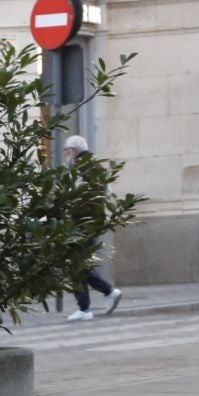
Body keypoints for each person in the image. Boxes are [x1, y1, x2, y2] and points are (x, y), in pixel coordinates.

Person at [64, 135, 124, 322]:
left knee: (76, 265)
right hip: (93, 223)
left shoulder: (82, 168)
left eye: (67, 150)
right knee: (80, 264)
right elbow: (108, 193)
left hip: (82, 223)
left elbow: (78, 197)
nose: (66, 154)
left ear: (74, 150)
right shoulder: (96, 166)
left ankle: (87, 307)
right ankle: (105, 294)